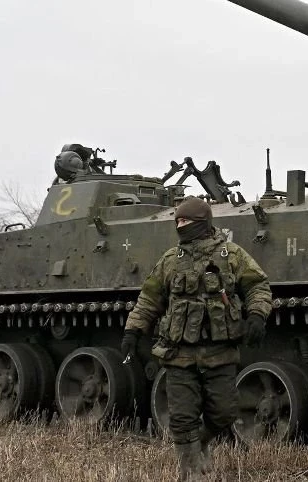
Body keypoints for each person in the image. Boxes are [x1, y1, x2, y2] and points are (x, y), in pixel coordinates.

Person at [121, 197, 272, 480]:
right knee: (182, 416)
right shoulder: (171, 260)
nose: (180, 226)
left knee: (225, 413)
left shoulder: (231, 255)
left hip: (220, 351)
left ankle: (200, 442)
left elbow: (258, 286)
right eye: (177, 221)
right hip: (178, 352)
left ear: (202, 222)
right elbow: (149, 299)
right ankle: (190, 471)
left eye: (186, 221)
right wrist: (133, 331)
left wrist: (257, 315)